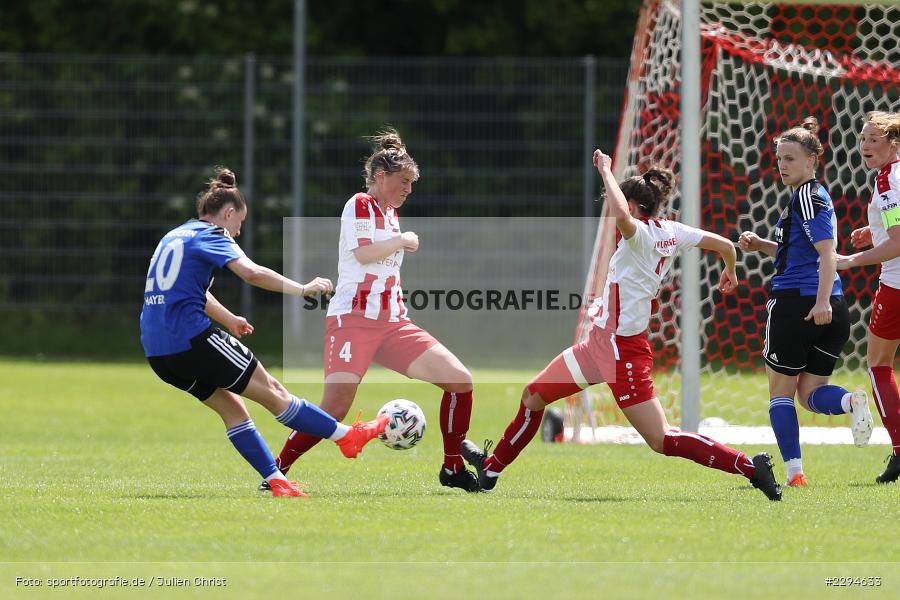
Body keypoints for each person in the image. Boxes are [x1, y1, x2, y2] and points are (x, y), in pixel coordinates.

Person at [461, 148, 783, 501]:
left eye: (620, 206)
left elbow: (620, 214)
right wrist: (730, 270)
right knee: (533, 397)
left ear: (632, 206)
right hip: (596, 346)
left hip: (622, 355)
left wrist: (605, 170)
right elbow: (724, 244)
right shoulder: (670, 231)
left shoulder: (640, 236)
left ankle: (750, 467)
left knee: (662, 439)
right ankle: (491, 471)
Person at [140, 167, 387, 498]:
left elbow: (186, 292)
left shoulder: (175, 235)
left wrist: (227, 318)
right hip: (192, 340)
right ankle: (346, 436)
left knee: (233, 409)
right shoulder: (212, 235)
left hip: (159, 352)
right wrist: (303, 288)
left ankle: (276, 480)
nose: (237, 233)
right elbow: (252, 273)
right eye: (239, 224)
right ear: (227, 214)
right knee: (274, 393)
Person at [269, 129, 481, 492]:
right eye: (404, 182)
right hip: (352, 321)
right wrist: (401, 240)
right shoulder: (359, 205)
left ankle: (452, 467)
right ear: (381, 178)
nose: (409, 190)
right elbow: (364, 253)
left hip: (394, 324)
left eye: (411, 183)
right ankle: (274, 470)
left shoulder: (390, 213)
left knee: (460, 381)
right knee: (334, 409)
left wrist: (398, 238)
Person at [739, 117, 873, 488]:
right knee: (810, 395)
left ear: (813, 160)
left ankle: (795, 473)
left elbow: (828, 254)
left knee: (780, 395)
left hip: (801, 304)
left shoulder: (808, 196)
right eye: (779, 158)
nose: (782, 165)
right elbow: (799, 253)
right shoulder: (806, 198)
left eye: (791, 159)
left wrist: (820, 302)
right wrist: (763, 245)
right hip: (831, 305)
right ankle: (850, 403)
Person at [836, 110, 900, 483]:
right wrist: (873, 231)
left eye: (873, 139)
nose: (864, 145)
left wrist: (850, 260)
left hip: (895, 287)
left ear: (893, 143)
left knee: (878, 365)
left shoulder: (888, 181)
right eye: (862, 139)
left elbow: (897, 243)